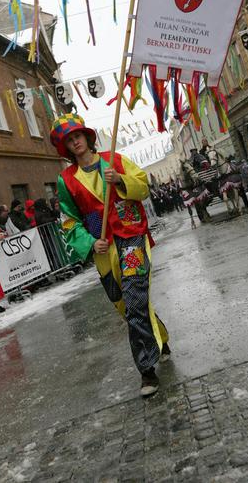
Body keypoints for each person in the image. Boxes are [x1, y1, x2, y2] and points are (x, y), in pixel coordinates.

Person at [50, 113, 170, 397]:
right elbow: (69, 221)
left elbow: (143, 187)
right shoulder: (65, 180)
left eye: (77, 135)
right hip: (103, 247)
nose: (75, 141)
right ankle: (160, 338)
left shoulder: (114, 160)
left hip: (131, 237)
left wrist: (120, 180)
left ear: (87, 137)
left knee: (134, 297)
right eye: (69, 139)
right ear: (66, 147)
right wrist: (90, 243)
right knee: (124, 305)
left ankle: (147, 370)